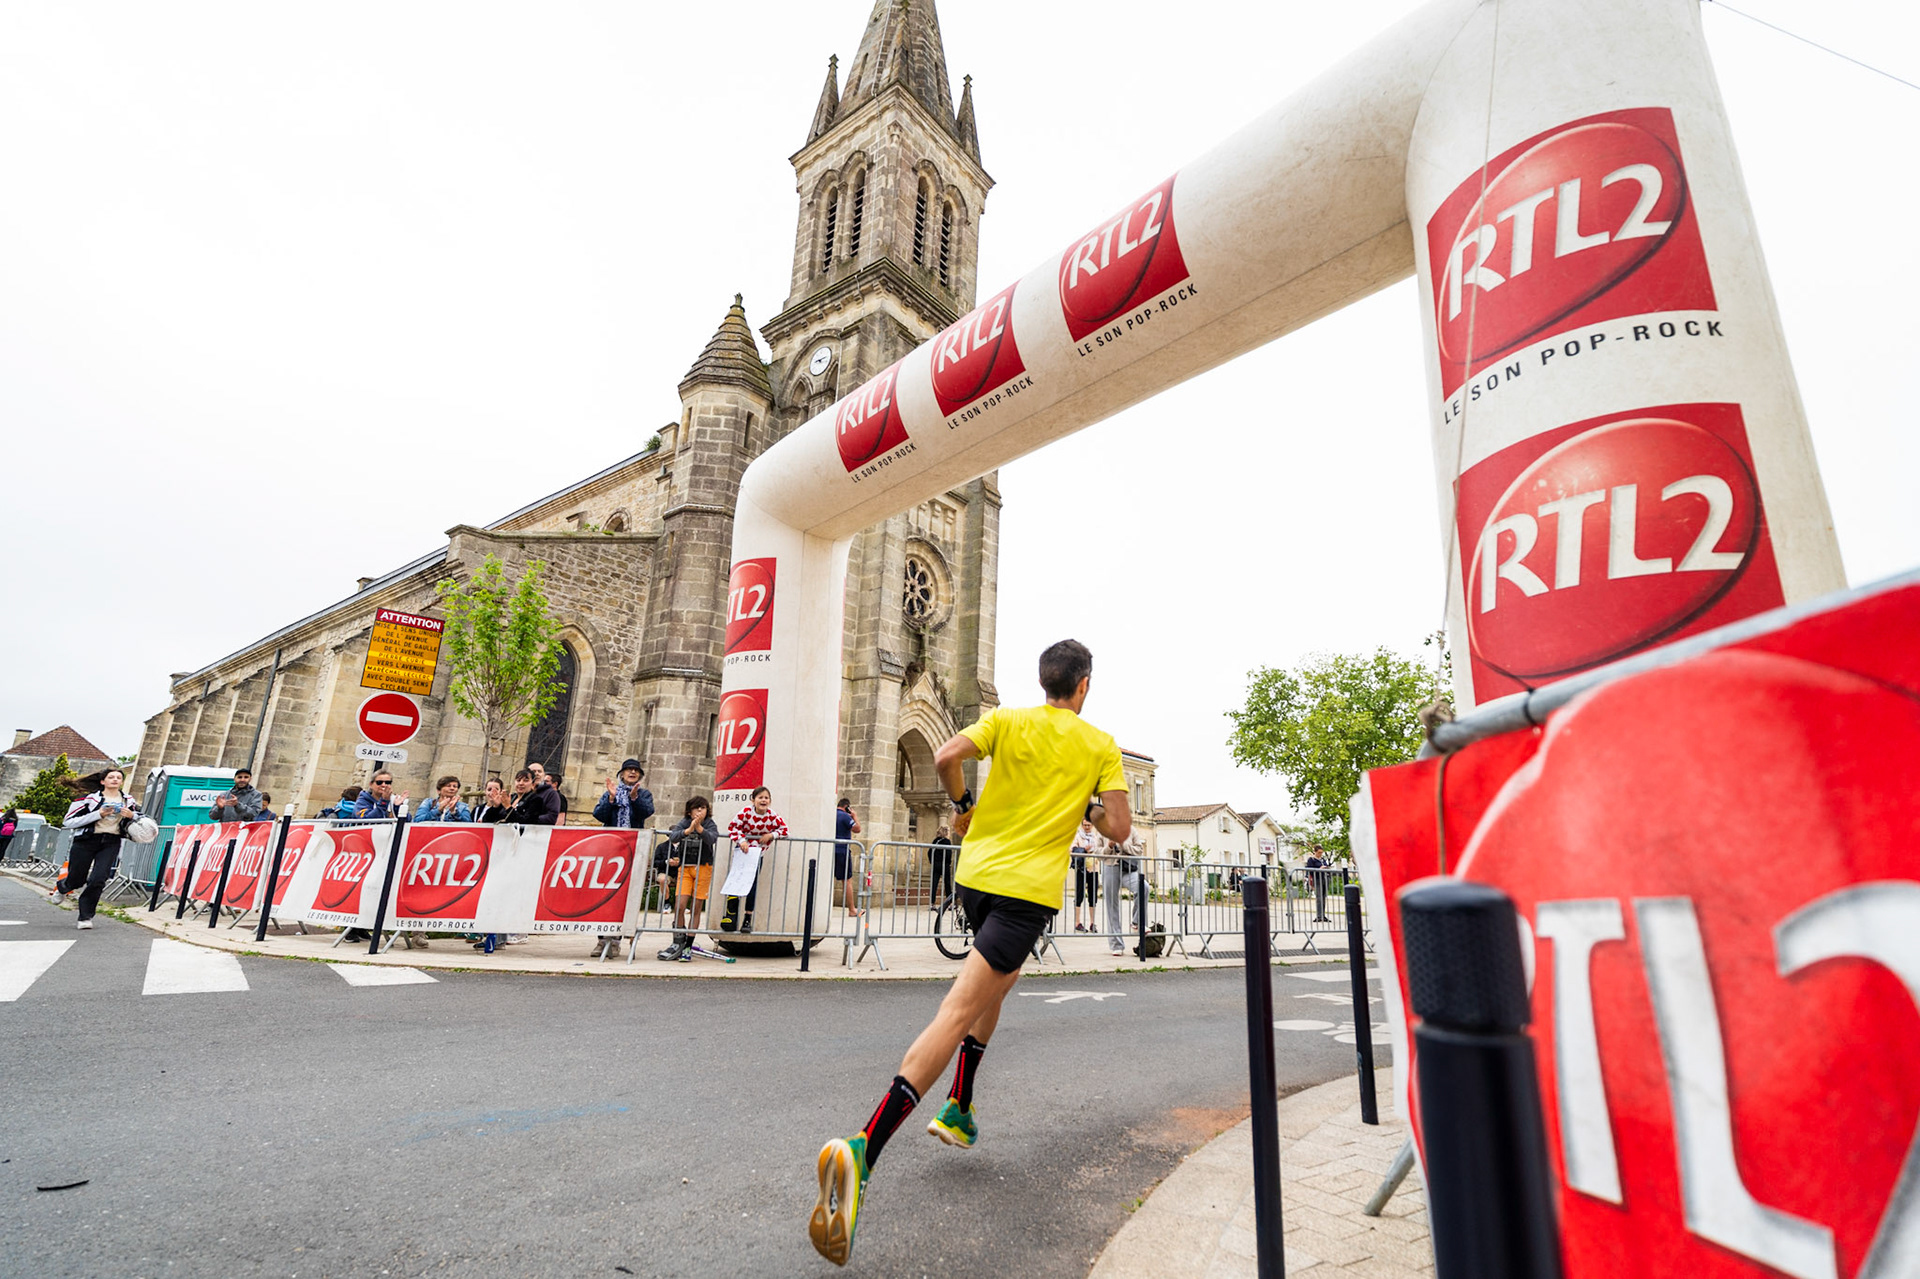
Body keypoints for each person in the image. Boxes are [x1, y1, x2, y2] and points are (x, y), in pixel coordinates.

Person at [808, 639, 1130, 1266]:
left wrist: (961, 808)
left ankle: (960, 1106)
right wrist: (1084, 799)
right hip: (1023, 895)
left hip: (975, 879)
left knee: (994, 989)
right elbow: (1118, 829)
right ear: (1084, 685)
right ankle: (863, 1149)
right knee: (957, 1013)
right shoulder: (1099, 746)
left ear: (1045, 682)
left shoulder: (1009, 720)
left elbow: (946, 751)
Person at [55, 768, 146, 931]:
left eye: (119, 777)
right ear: (102, 781)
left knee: (98, 879)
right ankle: (63, 886)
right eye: (111, 777)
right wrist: (99, 814)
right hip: (86, 841)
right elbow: (68, 822)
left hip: (111, 842)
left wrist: (132, 816)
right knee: (77, 878)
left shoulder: (128, 800)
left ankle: (85, 916)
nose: (115, 780)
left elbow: (142, 817)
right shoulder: (88, 799)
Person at [588, 760, 653, 957]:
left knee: (624, 897)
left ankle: (616, 941)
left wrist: (634, 799)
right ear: (622, 773)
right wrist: (611, 799)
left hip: (631, 849)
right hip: (610, 850)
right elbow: (598, 815)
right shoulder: (612, 792)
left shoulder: (643, 794)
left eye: (636, 770)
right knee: (604, 895)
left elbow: (647, 812)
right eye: (628, 770)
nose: (632, 772)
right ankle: (601, 941)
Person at [656, 796, 720, 961]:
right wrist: (688, 830)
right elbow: (673, 836)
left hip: (703, 867)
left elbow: (712, 838)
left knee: (696, 907)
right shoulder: (684, 822)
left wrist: (699, 828)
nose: (700, 811)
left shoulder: (709, 824)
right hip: (685, 867)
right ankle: (677, 942)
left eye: (703, 808)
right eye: (696, 808)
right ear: (689, 810)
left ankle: (688, 946)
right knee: (679, 905)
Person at [723, 786, 788, 934]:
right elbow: (732, 827)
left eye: (766, 798)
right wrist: (741, 840)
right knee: (736, 882)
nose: (763, 800)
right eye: (760, 797)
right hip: (742, 852)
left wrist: (771, 835)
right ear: (753, 800)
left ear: (770, 801)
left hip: (758, 854)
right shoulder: (745, 813)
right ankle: (730, 916)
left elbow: (784, 829)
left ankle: (747, 918)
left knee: (752, 885)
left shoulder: (772, 815)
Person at [1101, 833, 1147, 956]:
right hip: (1110, 867)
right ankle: (1116, 944)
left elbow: (1139, 849)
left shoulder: (1131, 829)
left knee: (1144, 887)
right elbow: (1098, 853)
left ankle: (1136, 923)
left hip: (1128, 868)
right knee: (1112, 905)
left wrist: (1123, 845)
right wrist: (1109, 846)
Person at [835, 798, 863, 918]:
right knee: (847, 881)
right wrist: (854, 816)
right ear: (847, 807)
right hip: (842, 850)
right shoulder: (845, 816)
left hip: (829, 849)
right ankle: (852, 909)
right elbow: (857, 829)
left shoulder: (832, 814)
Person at [1069, 819, 1098, 932]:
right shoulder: (1078, 837)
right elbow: (1072, 849)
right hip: (1081, 868)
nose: (1087, 827)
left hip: (1093, 868)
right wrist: (1084, 850)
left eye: (1089, 825)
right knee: (1079, 895)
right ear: (1081, 825)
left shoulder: (1095, 837)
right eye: (1085, 825)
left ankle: (1092, 923)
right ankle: (1077, 922)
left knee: (1093, 896)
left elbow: (1098, 850)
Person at [928, 825, 956, 906]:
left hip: (936, 864)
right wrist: (948, 862)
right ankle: (950, 903)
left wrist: (932, 861)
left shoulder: (935, 841)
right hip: (944, 865)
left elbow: (929, 852)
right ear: (946, 832)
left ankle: (932, 903)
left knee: (934, 884)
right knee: (947, 884)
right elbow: (948, 854)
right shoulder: (947, 841)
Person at [1305, 847, 1331, 923]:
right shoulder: (1311, 860)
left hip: (1324, 878)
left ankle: (1323, 915)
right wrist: (1319, 868)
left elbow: (1326, 865)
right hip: (1317, 879)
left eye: (1321, 852)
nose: (1320, 854)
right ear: (1315, 852)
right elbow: (1310, 870)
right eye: (1319, 852)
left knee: (1323, 897)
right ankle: (1319, 916)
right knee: (1319, 898)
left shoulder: (1323, 859)